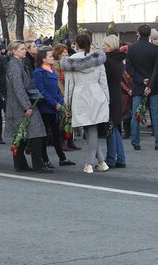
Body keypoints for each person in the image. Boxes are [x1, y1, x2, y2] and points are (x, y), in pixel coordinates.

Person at [63, 34, 110, 174]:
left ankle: (90, 163)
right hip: (97, 94)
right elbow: (104, 82)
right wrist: (107, 100)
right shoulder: (98, 59)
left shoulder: (70, 61)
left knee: (89, 128)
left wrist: (67, 104)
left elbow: (69, 86)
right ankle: (101, 162)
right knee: (92, 128)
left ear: (76, 44)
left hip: (80, 95)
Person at [5, 41, 50, 173]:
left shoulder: (18, 64)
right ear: (14, 51)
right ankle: (37, 164)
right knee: (36, 133)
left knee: (22, 135)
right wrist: (27, 107)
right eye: (22, 49)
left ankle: (20, 163)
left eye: (25, 49)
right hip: (20, 106)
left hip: (20, 104)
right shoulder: (14, 66)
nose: (25, 51)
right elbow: (18, 88)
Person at [126, 24, 158, 151]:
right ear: (149, 35)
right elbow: (157, 68)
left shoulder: (131, 49)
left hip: (138, 84)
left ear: (138, 33)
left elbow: (129, 68)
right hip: (153, 86)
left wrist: (140, 80)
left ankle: (135, 141)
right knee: (155, 113)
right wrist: (150, 83)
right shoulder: (155, 49)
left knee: (136, 113)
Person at [33, 45, 72, 167]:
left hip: (55, 107)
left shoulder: (52, 71)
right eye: (49, 56)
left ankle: (62, 158)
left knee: (57, 134)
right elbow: (41, 91)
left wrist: (62, 103)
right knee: (44, 135)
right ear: (43, 59)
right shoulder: (39, 72)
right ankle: (45, 159)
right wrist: (55, 104)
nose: (52, 58)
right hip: (46, 108)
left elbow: (56, 89)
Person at [102, 35, 128, 168]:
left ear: (110, 46)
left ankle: (111, 158)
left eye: (105, 45)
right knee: (115, 127)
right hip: (117, 94)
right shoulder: (119, 60)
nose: (103, 47)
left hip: (110, 95)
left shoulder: (108, 61)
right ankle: (121, 158)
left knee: (110, 128)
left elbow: (104, 80)